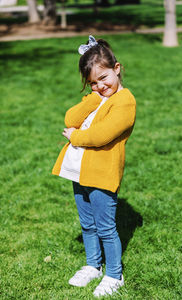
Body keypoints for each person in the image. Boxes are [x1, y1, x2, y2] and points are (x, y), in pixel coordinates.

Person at [52, 35, 136, 297]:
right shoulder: (97, 97)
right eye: (93, 83)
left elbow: (102, 135)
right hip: (79, 171)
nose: (100, 86)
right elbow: (70, 117)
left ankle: (114, 274)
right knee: (87, 224)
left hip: (101, 174)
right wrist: (92, 98)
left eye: (104, 78)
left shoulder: (125, 101)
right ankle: (93, 265)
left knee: (106, 227)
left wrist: (75, 136)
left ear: (117, 68)